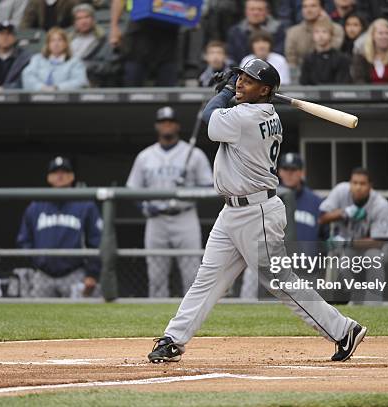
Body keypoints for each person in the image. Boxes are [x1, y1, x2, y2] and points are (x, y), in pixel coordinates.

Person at [147, 59, 367, 364]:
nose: (239, 83)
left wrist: (223, 91)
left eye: (248, 81)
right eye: (239, 78)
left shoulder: (247, 117)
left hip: (256, 213)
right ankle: (174, 338)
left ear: (265, 90)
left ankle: (343, 330)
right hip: (234, 212)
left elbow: (209, 116)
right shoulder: (260, 111)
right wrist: (233, 91)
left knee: (280, 283)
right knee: (207, 278)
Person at [126, 106, 213, 298]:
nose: (167, 126)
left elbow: (209, 187)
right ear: (157, 126)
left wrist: (187, 191)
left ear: (177, 126)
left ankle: (190, 318)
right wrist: (145, 207)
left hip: (185, 216)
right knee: (156, 277)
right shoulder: (145, 156)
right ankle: (158, 321)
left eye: (170, 122)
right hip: (156, 219)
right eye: (163, 122)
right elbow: (131, 190)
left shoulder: (194, 153)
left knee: (192, 275)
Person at [240, 152, 327, 298]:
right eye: (286, 169)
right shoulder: (267, 197)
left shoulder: (315, 202)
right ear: (279, 171)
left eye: (294, 170)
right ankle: (242, 306)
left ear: (302, 172)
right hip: (271, 259)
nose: (289, 174)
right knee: (251, 271)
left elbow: (324, 236)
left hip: (305, 265)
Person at [17, 156, 102, 298]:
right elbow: (24, 240)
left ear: (72, 176)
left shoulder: (85, 204)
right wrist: (38, 262)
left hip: (74, 273)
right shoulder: (36, 206)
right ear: (49, 178)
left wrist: (92, 274)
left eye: (64, 172)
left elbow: (96, 240)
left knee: (80, 317)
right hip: (43, 275)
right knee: (38, 318)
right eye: (55, 172)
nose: (60, 176)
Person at [319, 168, 388, 304]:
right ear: (350, 183)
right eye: (355, 183)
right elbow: (322, 217)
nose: (358, 187)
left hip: (377, 249)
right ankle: (355, 302)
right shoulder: (341, 191)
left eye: (363, 183)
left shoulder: (381, 205)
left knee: (372, 257)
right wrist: (343, 213)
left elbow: (379, 242)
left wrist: (347, 242)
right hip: (350, 247)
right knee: (344, 262)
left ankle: (373, 305)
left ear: (370, 186)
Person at [109, 0, 180, 86]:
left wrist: (193, 19)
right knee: (133, 75)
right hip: (140, 23)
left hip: (169, 25)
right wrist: (114, 26)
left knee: (167, 77)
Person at [68, 4, 119, 87]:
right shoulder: (68, 41)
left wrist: (86, 65)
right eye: (79, 18)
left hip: (94, 82)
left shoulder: (105, 40)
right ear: (75, 23)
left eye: (87, 17)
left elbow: (111, 67)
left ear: (93, 20)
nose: (83, 21)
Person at [22, 27, 88, 91]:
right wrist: (41, 87)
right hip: (37, 97)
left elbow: (80, 81)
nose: (56, 44)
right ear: (48, 44)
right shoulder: (37, 59)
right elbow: (27, 76)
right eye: (52, 40)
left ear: (65, 44)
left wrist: (57, 88)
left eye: (60, 40)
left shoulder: (75, 61)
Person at [284, 0, 344, 69]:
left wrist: (326, 22)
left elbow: (333, 50)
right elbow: (291, 59)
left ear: (321, 8)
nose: (308, 10)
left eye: (313, 6)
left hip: (331, 71)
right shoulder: (293, 32)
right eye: (305, 6)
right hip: (301, 74)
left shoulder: (336, 29)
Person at [226, 0, 286, 64]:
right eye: (252, 9)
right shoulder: (235, 32)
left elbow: (279, 53)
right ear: (246, 11)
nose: (256, 13)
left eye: (260, 9)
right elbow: (232, 57)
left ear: (267, 12)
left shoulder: (278, 30)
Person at [350, 18, 388, 83]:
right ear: (372, 36)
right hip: (367, 92)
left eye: (387, 33)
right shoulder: (361, 56)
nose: (384, 36)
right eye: (380, 33)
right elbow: (359, 80)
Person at [300, 17, 352, 84]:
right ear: (313, 35)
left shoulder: (342, 59)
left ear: (331, 35)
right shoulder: (308, 59)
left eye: (324, 32)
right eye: (317, 32)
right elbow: (304, 83)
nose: (320, 35)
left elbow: (342, 83)